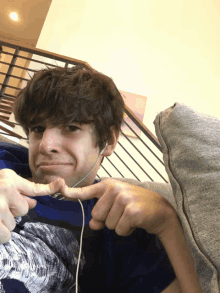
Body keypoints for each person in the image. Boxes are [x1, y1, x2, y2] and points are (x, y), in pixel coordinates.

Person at [0, 66, 202, 293]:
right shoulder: (4, 159)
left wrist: (167, 223)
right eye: (37, 129)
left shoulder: (122, 225)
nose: (45, 145)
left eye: (70, 127)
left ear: (109, 140)